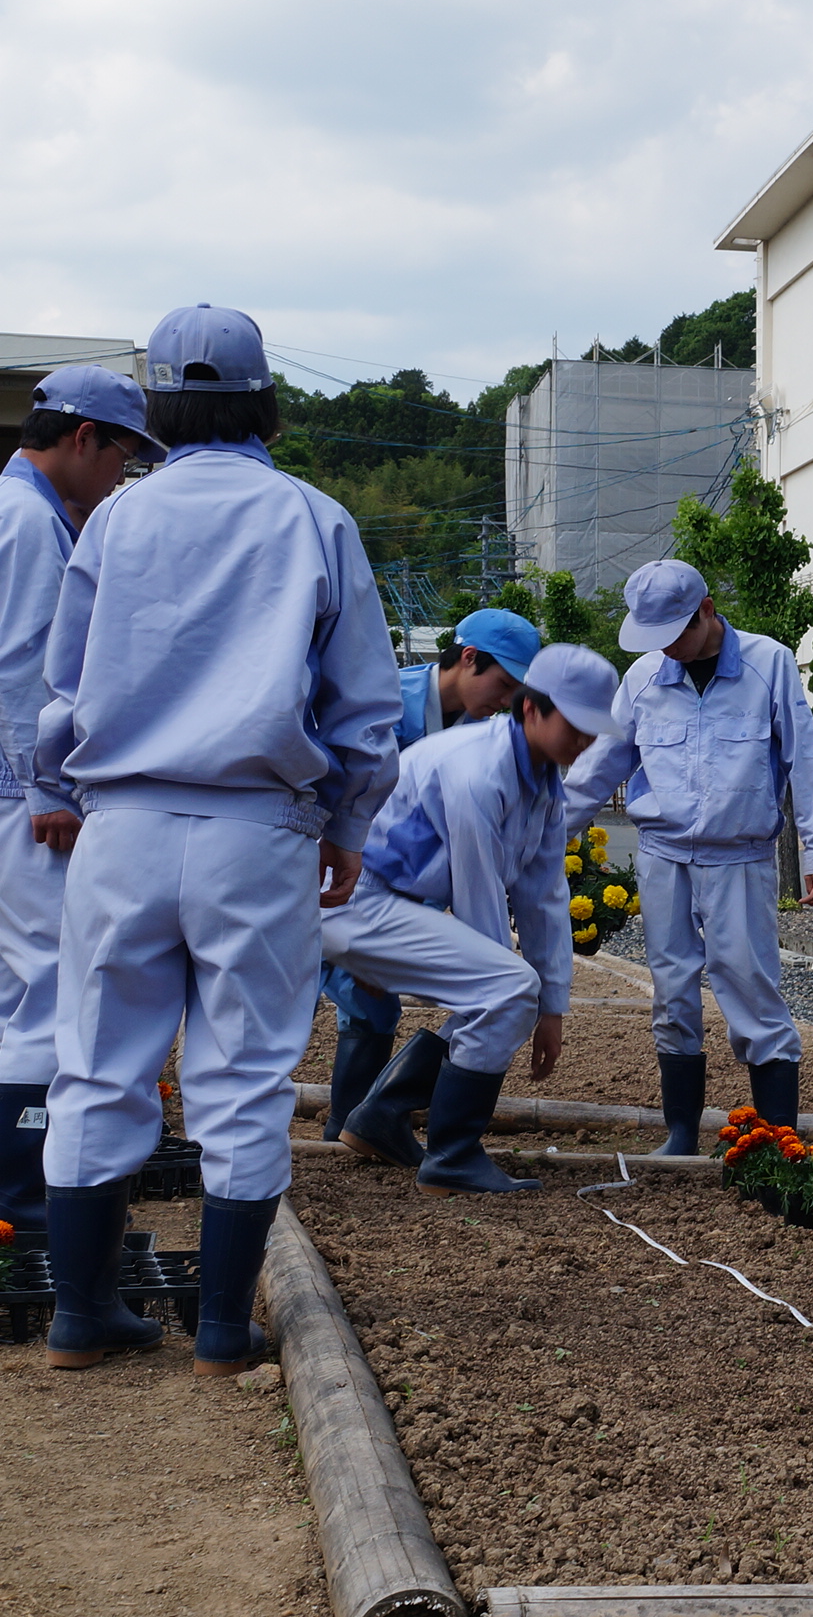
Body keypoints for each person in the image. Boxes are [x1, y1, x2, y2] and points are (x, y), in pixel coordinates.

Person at [34, 305, 400, 1373]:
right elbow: (365, 708)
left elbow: (64, 686)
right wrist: (348, 823)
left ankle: (80, 1316)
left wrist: (60, 787)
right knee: (240, 1076)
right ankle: (221, 1326)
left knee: (99, 1068)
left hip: (125, 823)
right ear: (263, 402)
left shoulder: (116, 520)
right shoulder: (314, 517)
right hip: (258, 825)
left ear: (157, 403)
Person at [563, 559, 813, 1152]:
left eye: (677, 635)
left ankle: (777, 1141)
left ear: (708, 610)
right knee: (671, 987)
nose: (669, 650)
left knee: (750, 984)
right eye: (655, 639)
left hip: (739, 855)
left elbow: (806, 762)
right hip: (663, 853)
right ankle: (681, 1132)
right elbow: (602, 766)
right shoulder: (642, 678)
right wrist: (549, 835)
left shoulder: (769, 664)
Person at [330, 645, 617, 1194]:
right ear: (532, 708)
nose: (584, 743)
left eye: (593, 731)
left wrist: (553, 1005)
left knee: (506, 990)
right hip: (353, 896)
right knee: (504, 988)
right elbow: (480, 897)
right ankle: (453, 1156)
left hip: (388, 905)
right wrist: (523, 996)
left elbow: (546, 898)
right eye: (576, 726)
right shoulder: (479, 770)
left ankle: (380, 1115)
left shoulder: (544, 787)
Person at [0, 368, 165, 1233]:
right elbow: (25, 676)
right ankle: (23, 1200)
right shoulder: (31, 525)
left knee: (9, 987)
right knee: (46, 981)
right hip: (17, 794)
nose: (120, 478)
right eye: (122, 457)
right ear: (82, 438)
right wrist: (46, 789)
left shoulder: (13, 505)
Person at [318, 607, 541, 1145]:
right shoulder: (383, 707)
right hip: (335, 872)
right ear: (468, 659)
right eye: (503, 684)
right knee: (327, 995)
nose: (507, 701)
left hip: (393, 887)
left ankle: (355, 1123)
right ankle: (345, 1125)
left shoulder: (480, 731)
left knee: (372, 1000)